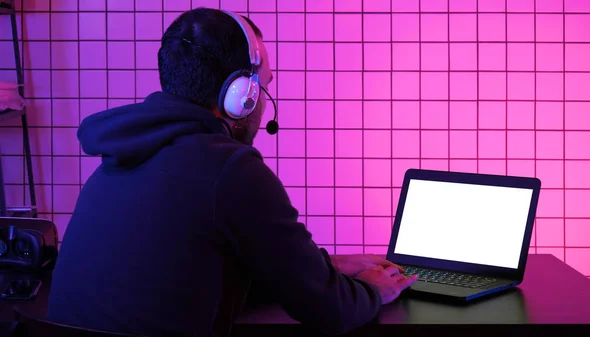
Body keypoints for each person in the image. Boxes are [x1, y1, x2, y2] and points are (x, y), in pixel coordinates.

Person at [47, 7, 418, 337]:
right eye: (264, 86)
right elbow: (330, 310)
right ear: (241, 94)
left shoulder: (120, 155)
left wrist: (324, 265)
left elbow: (191, 269)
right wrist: (373, 290)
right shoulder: (230, 169)